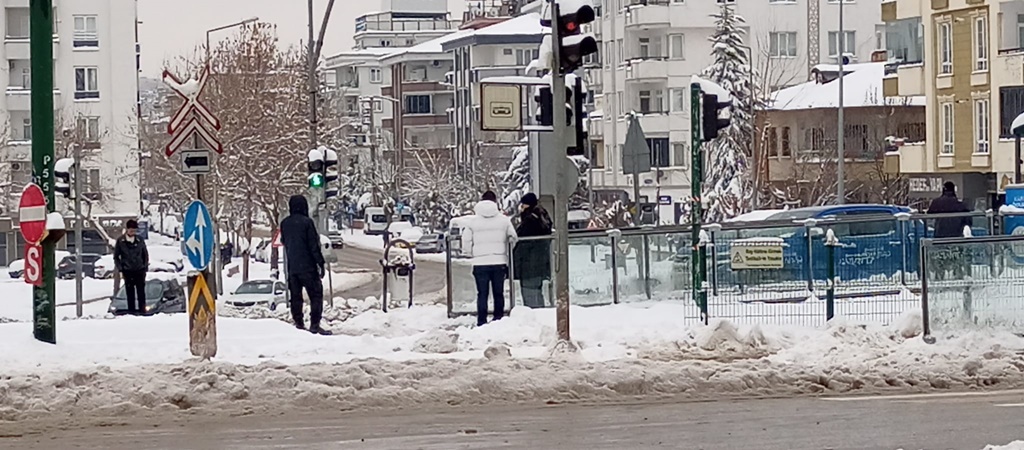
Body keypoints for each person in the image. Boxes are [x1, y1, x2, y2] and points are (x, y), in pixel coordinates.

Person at [462, 191, 517, 326]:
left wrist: (471, 253)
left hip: (480, 263)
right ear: (495, 202)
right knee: (498, 293)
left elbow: (466, 240)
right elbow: (513, 237)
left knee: (482, 293)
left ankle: (482, 320)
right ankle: (498, 319)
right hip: (499, 261)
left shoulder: (472, 221)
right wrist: (506, 251)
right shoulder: (504, 220)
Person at [280, 195, 331, 335]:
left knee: (295, 298)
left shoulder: (285, 223)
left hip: (293, 269)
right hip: (308, 268)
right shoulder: (307, 223)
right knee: (316, 296)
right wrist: (320, 263)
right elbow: (313, 246)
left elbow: (284, 241)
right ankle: (314, 324)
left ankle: (299, 323)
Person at [513, 193, 552, 308]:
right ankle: (540, 311)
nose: (521, 207)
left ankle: (534, 313)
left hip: (529, 263)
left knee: (529, 292)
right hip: (540, 261)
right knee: (536, 291)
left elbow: (521, 238)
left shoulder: (530, 220)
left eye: (523, 205)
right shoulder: (542, 217)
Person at [927, 181, 972, 280]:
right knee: (956, 256)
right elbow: (968, 220)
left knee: (940, 256)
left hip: (940, 235)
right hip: (956, 236)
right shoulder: (960, 205)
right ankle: (958, 273)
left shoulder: (937, 203)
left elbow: (929, 215)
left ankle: (939, 275)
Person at [114, 219, 149, 315]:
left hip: (139, 270)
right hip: (127, 271)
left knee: (141, 292)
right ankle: (131, 312)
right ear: (127, 229)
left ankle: (142, 311)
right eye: (131, 230)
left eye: (134, 230)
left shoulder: (140, 240)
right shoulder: (121, 241)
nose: (133, 232)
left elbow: (145, 254)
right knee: (130, 293)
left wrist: (144, 267)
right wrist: (121, 268)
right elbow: (116, 257)